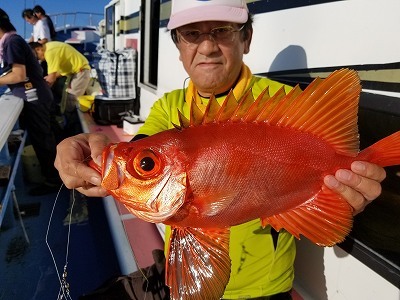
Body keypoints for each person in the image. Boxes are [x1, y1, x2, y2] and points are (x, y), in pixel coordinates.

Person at [54, 0, 387, 299]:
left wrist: (343, 199)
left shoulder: (284, 104)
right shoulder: (170, 107)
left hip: (262, 291)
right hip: (176, 274)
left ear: (247, 38)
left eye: (222, 31)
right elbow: (142, 145)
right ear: (178, 45)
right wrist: (91, 150)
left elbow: (330, 191)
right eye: (191, 33)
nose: (208, 46)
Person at [0, 8, 60, 195]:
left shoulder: (11, 42)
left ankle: (53, 181)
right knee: (45, 138)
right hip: (37, 96)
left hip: (35, 99)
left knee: (42, 140)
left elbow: (19, 74)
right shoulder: (12, 41)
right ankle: (55, 175)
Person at [30, 41, 91, 137]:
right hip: (75, 72)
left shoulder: (50, 51)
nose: (39, 60)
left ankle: (73, 131)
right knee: (67, 102)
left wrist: (40, 91)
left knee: (71, 100)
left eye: (36, 57)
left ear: (38, 49)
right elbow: (56, 74)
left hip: (81, 71)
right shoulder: (50, 47)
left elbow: (52, 78)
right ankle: (69, 127)